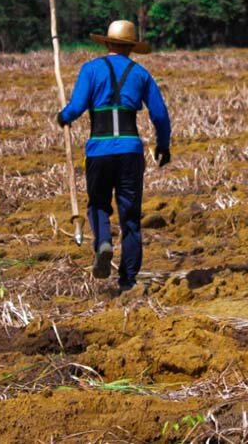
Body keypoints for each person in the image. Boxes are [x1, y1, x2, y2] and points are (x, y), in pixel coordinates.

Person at [56, 20, 171, 293]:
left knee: (97, 204)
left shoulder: (91, 69)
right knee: (130, 218)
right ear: (131, 48)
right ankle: (128, 281)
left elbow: (76, 107)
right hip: (131, 151)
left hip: (99, 149)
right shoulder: (141, 74)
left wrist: (63, 117)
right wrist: (163, 145)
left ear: (106, 43)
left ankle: (104, 241)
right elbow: (160, 115)